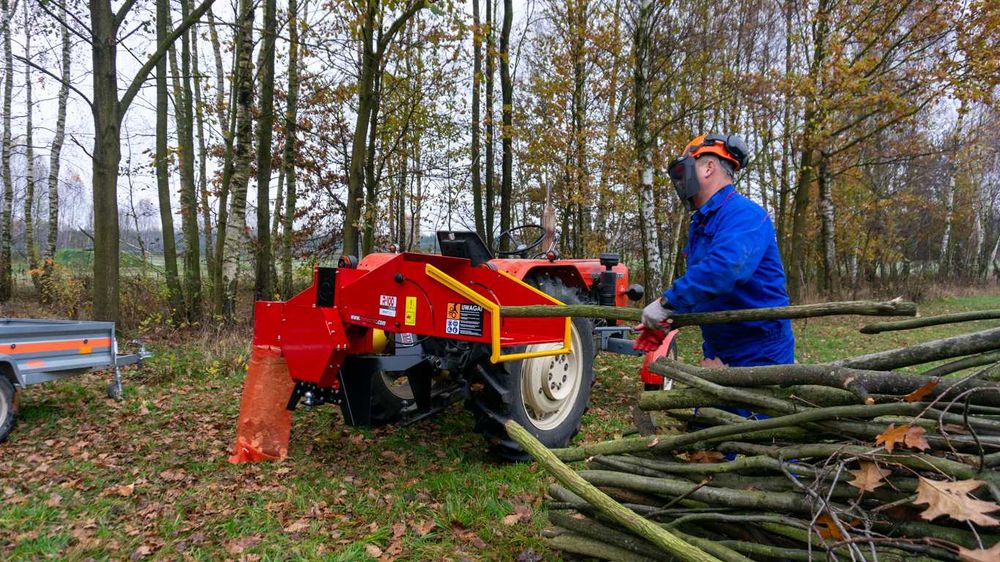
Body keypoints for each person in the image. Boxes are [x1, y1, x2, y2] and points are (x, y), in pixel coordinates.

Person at [639, 133, 795, 374]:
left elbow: (724, 269)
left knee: (752, 412)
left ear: (709, 167)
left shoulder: (744, 214)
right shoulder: (703, 222)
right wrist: (671, 319)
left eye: (685, 170)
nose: (681, 182)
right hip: (719, 343)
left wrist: (667, 303)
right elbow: (707, 288)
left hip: (758, 347)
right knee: (717, 411)